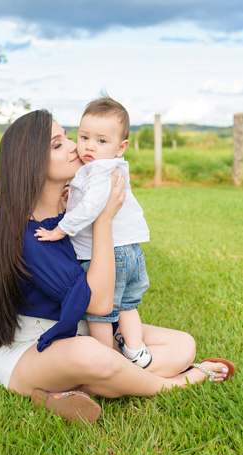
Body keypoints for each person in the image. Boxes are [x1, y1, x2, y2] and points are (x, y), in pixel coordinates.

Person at [0, 109, 235, 425]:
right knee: (90, 353)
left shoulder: (70, 208)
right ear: (31, 164)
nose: (76, 146)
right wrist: (104, 220)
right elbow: (100, 304)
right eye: (58, 144)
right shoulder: (32, 237)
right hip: (30, 350)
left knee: (182, 345)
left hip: (76, 331)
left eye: (69, 137)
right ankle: (173, 383)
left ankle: (64, 391)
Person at [34, 96, 152, 368]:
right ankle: (136, 352)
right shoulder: (110, 167)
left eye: (101, 141)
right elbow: (86, 197)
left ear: (121, 147)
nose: (88, 147)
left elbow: (92, 206)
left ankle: (107, 361)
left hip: (111, 254)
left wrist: (61, 229)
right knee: (128, 305)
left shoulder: (99, 170)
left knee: (101, 314)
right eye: (84, 136)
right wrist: (71, 193)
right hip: (130, 249)